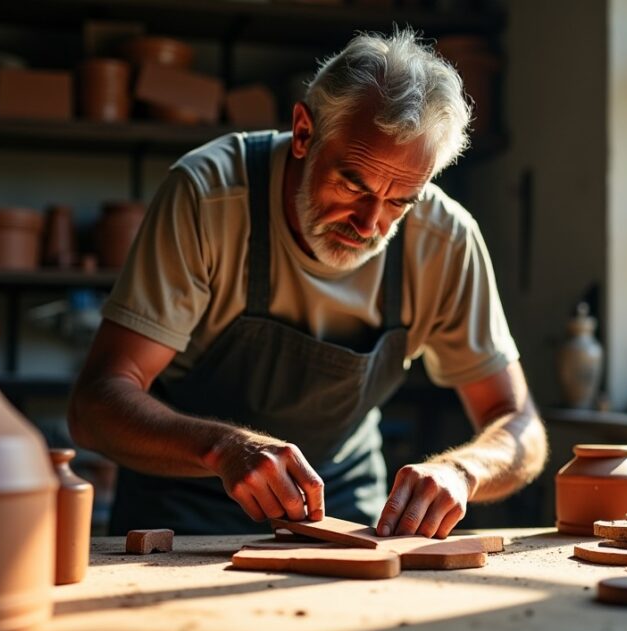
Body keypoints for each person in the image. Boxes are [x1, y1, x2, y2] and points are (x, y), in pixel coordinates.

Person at [68, 29, 547, 539]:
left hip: (342, 510)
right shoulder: (209, 196)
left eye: (398, 202)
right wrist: (225, 449)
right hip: (183, 511)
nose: (368, 224)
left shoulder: (444, 239)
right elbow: (95, 405)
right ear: (303, 133)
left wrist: (462, 471)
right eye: (352, 185)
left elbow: (521, 426)